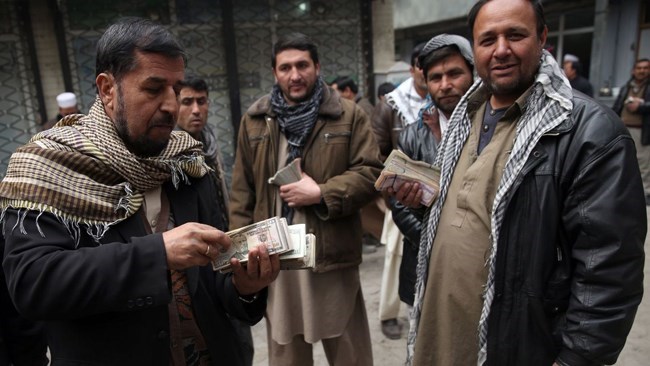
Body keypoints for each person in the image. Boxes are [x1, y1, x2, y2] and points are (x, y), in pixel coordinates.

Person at [0, 17, 279, 366]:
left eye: (175, 90)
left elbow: (213, 285)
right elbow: (33, 284)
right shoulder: (47, 167)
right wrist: (157, 253)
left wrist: (246, 287)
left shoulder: (186, 162)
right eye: (153, 89)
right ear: (107, 89)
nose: (171, 105)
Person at [396, 1, 646, 365]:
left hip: (519, 343)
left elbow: (609, 271)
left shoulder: (590, 132)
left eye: (515, 35)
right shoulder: (466, 116)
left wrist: (577, 359)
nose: (501, 50)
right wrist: (423, 203)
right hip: (441, 329)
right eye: (488, 39)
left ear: (542, 38)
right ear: (475, 47)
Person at [229, 32, 382, 365]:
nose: (294, 75)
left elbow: (371, 173)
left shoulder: (348, 114)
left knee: (348, 351)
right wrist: (240, 256)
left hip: (330, 253)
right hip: (276, 256)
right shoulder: (254, 120)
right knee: (287, 350)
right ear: (275, 72)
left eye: (302, 65)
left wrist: (321, 193)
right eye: (285, 67)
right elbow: (242, 190)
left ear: (317, 67)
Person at [390, 34, 474, 310]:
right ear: (426, 83)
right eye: (436, 77)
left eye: (454, 74)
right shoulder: (413, 136)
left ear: (474, 73)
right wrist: (434, 241)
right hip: (425, 261)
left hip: (477, 260)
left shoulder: (493, 129)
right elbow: (399, 205)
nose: (445, 85)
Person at [176, 75, 255, 366]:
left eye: (201, 101)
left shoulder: (208, 142)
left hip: (225, 248)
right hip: (195, 265)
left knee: (241, 340)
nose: (196, 109)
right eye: (187, 102)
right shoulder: (170, 153)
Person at [371, 42, 428, 340]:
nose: (427, 73)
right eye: (422, 65)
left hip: (437, 200)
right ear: (413, 68)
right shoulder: (391, 105)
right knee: (396, 257)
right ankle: (389, 315)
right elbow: (375, 155)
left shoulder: (450, 99)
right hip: (402, 199)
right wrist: (400, 177)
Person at [613, 58, 650, 204]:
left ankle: (645, 193)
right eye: (639, 68)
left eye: (645, 68)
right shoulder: (626, 87)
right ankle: (625, 191)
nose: (642, 71)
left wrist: (640, 107)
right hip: (623, 129)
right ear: (633, 71)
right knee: (622, 160)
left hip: (642, 131)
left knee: (643, 163)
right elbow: (617, 106)